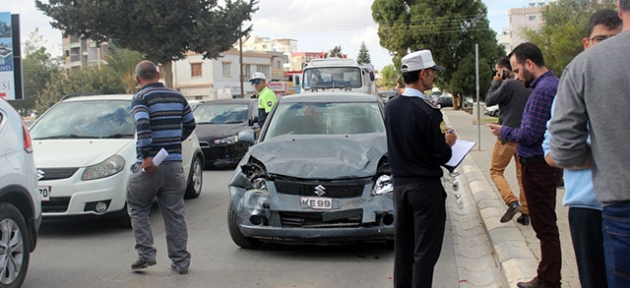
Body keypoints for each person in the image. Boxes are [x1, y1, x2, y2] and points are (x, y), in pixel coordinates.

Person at [549, 1, 630, 287]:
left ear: (622, 9)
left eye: (615, 37)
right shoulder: (578, 75)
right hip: (590, 205)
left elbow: (563, 150)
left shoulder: (582, 69)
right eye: (601, 39)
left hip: (618, 206)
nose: (610, 45)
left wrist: (609, 154)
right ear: (586, 42)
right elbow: (553, 151)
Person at [487, 42, 563, 288]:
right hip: (541, 164)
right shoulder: (550, 85)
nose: (517, 77)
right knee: (543, 225)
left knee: (545, 227)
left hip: (538, 165)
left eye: (518, 70)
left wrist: (504, 130)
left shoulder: (543, 90)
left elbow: (530, 134)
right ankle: (546, 275)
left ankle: (548, 280)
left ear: (530, 64)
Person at [384, 49, 457, 288]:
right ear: (423, 73)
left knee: (403, 251)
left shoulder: (391, 107)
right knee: (424, 253)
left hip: (400, 187)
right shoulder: (429, 112)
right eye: (432, 72)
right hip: (425, 189)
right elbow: (442, 154)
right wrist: (448, 142)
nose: (433, 77)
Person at [127, 60, 196, 275]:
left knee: (137, 207)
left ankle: (146, 254)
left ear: (138, 79)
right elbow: (190, 124)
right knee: (175, 213)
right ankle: (181, 262)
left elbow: (143, 125)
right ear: (158, 74)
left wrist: (147, 156)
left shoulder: (140, 98)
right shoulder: (178, 96)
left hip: (150, 166)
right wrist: (175, 141)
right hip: (174, 164)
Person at [485, 57, 532, 225]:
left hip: (507, 136)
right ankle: (526, 213)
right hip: (524, 137)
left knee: (495, 171)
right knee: (522, 176)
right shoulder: (529, 83)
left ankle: (511, 201)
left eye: (498, 70)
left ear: (504, 69)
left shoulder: (508, 84)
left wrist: (496, 81)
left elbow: (489, 100)